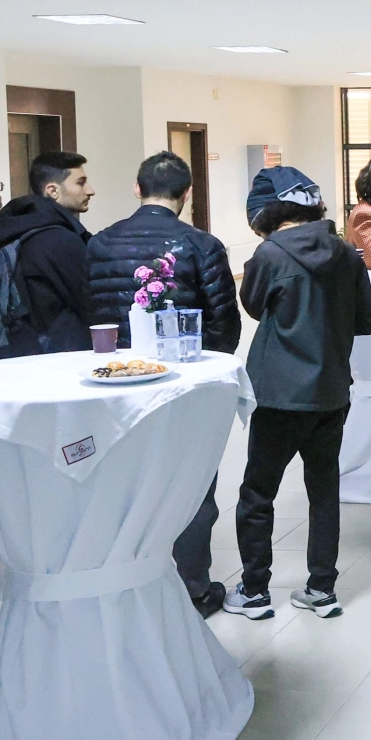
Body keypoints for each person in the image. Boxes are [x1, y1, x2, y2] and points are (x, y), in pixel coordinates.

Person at [87, 151, 241, 617]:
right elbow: (224, 324)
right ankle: (192, 586)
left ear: (137, 189)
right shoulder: (201, 245)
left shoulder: (99, 242)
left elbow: (88, 311)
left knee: (123, 482)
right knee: (190, 481)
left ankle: (124, 583)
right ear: (187, 193)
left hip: (115, 382)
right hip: (183, 383)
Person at [225, 168, 371, 621]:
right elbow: (367, 322)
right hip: (331, 390)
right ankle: (321, 589)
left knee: (258, 492)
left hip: (278, 393)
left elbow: (253, 306)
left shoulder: (269, 254)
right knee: (323, 490)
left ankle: (254, 591)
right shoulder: (346, 252)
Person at [0, 151, 95, 355]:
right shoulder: (59, 240)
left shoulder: (15, 230)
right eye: (80, 183)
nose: (90, 190)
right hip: (66, 353)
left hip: (23, 350)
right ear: (53, 191)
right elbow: (90, 304)